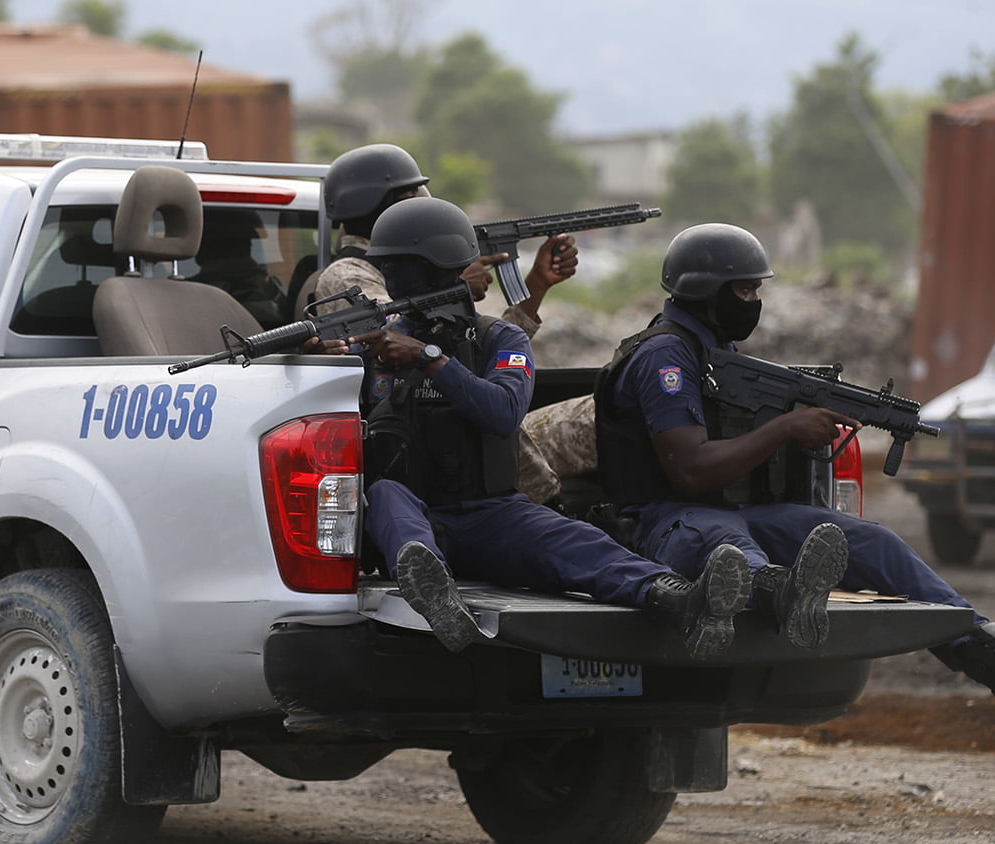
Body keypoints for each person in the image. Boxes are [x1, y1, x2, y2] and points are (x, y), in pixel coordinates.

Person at [594, 222, 995, 728]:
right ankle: (779, 591)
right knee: (726, 535)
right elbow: (691, 469)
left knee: (874, 545)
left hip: (729, 515)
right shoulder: (665, 358)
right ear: (704, 290)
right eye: (744, 290)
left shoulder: (715, 357)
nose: (754, 300)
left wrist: (795, 415)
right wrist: (787, 427)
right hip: (661, 522)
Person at [346, 197, 835, 661]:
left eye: (406, 269)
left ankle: (681, 600)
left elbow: (501, 411)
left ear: (441, 268)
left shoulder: (499, 337)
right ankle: (432, 591)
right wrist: (342, 360)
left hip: (488, 511)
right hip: (413, 514)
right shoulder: (373, 343)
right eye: (390, 270)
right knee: (387, 494)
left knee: (579, 544)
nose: (396, 280)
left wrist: (431, 360)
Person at [311, 143, 581, 500]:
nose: (419, 201)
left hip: (476, 461)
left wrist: (534, 286)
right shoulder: (347, 273)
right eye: (408, 196)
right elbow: (397, 336)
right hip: (423, 468)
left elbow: (474, 347)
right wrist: (451, 283)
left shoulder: (378, 269)